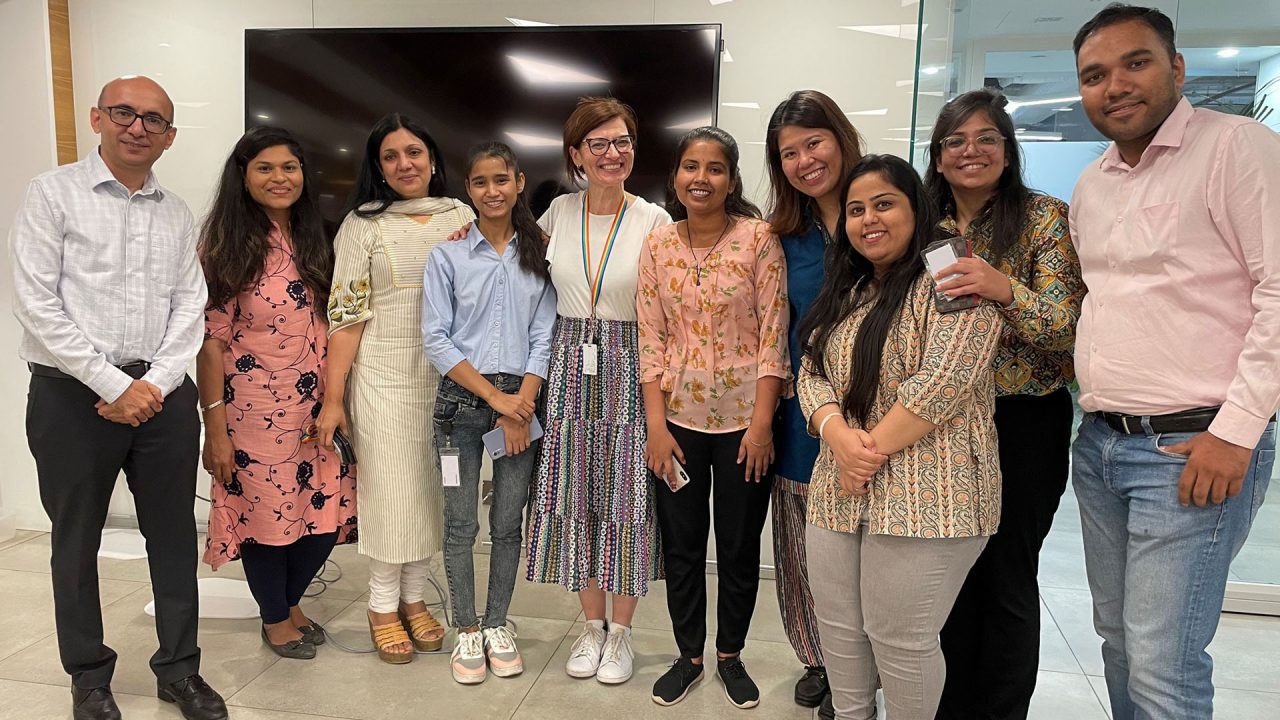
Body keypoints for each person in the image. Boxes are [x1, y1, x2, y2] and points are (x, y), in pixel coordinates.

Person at [1069, 5, 1279, 718]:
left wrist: (1238, 429)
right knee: (1120, 642)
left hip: (1191, 444)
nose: (1115, 85)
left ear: (1177, 68)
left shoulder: (1236, 149)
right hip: (1101, 444)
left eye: (1136, 63)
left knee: (1163, 661)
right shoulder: (1094, 182)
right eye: (1095, 75)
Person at [10, 75, 228, 720]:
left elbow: (192, 307)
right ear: (98, 118)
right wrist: (111, 385)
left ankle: (179, 671)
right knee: (75, 539)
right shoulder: (52, 195)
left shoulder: (177, 211)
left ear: (170, 136)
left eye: (153, 119)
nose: (139, 127)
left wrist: (152, 386)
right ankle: (89, 677)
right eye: (125, 113)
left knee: (172, 535)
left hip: (160, 399)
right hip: (71, 396)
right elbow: (36, 301)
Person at [799, 154, 1002, 720]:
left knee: (901, 640)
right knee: (839, 631)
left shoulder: (952, 271)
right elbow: (809, 370)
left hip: (932, 493)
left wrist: (864, 453)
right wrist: (838, 436)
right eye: (856, 209)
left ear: (917, 208)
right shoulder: (850, 284)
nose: (868, 219)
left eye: (884, 204)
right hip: (838, 488)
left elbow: (947, 376)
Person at [923, 90, 1084, 720]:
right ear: (937, 158)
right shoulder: (923, 225)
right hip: (943, 423)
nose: (971, 151)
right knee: (949, 574)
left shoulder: (1044, 218)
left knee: (1007, 576)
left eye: (987, 138)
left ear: (1008, 150)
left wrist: (1003, 287)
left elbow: (1065, 327)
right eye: (956, 141)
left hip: (1023, 422)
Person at [638, 127, 789, 709]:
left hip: (743, 427)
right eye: (691, 167)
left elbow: (775, 337)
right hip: (675, 422)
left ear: (731, 179)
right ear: (676, 177)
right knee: (681, 544)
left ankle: (730, 655)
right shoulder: (658, 245)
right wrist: (655, 426)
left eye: (715, 168)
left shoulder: (758, 240)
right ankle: (689, 656)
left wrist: (761, 425)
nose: (701, 178)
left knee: (738, 544)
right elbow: (651, 342)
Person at [317, 113, 474, 664]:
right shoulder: (360, 224)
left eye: (413, 152)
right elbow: (346, 317)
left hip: (452, 379)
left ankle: (414, 599)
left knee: (435, 490)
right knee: (390, 489)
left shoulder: (463, 215)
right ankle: (382, 605)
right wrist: (334, 399)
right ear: (377, 167)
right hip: (383, 377)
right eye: (390, 156)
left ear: (432, 158)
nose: (404, 164)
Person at [524, 96, 671, 685]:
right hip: (565, 366)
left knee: (627, 503)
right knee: (572, 502)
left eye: (623, 142)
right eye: (600, 144)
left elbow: (666, 307)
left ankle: (624, 635)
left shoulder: (655, 220)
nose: (614, 154)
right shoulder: (558, 212)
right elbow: (516, 267)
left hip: (632, 366)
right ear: (576, 154)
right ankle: (592, 629)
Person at [197, 126, 357, 660]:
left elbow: (339, 323)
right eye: (265, 167)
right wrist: (214, 429)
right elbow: (210, 344)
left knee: (319, 512)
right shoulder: (222, 248)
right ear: (243, 176)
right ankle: (275, 617)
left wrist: (338, 400)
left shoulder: (319, 237)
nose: (279, 177)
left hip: (318, 410)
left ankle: (289, 602)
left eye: (289, 166)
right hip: (251, 414)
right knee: (267, 520)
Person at [421, 142, 556, 684]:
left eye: (502, 180)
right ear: (468, 189)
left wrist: (519, 405)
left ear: (519, 182)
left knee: (506, 524)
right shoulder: (447, 256)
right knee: (459, 524)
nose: (492, 191)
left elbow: (545, 332)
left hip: (522, 404)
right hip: (460, 407)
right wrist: (497, 401)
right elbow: (436, 338)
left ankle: (499, 621)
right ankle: (466, 629)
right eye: (480, 182)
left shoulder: (539, 253)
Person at [763, 89, 865, 714]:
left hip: (882, 425)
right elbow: (772, 333)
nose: (805, 161)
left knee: (863, 563)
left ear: (841, 137)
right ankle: (820, 661)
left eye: (814, 143)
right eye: (789, 154)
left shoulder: (886, 211)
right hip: (804, 423)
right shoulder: (782, 238)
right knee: (802, 557)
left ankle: (863, 668)